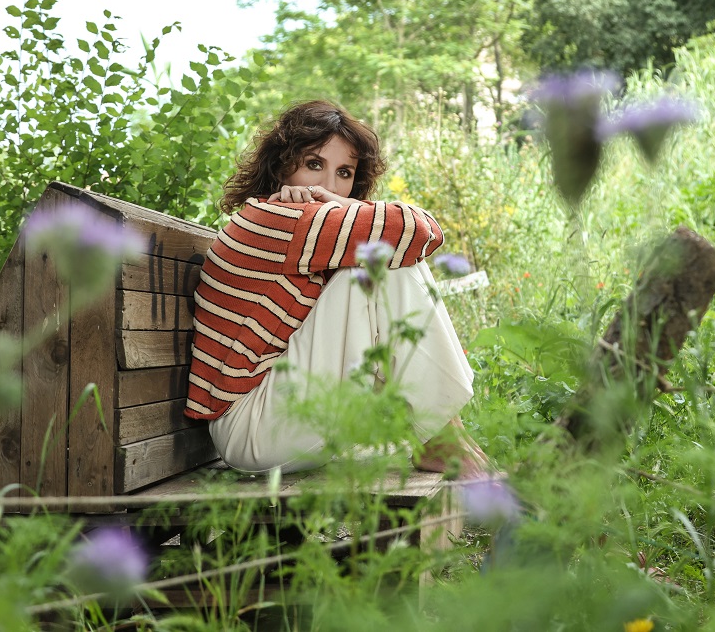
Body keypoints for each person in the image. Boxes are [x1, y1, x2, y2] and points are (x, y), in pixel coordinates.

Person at [184, 100, 491, 478]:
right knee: (381, 262)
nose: (327, 185)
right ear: (281, 166)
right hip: (253, 429)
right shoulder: (274, 218)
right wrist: (346, 205)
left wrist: (342, 206)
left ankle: (443, 436)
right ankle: (441, 439)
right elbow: (420, 230)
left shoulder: (307, 227)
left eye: (344, 172)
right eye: (314, 164)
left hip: (279, 418)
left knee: (380, 258)